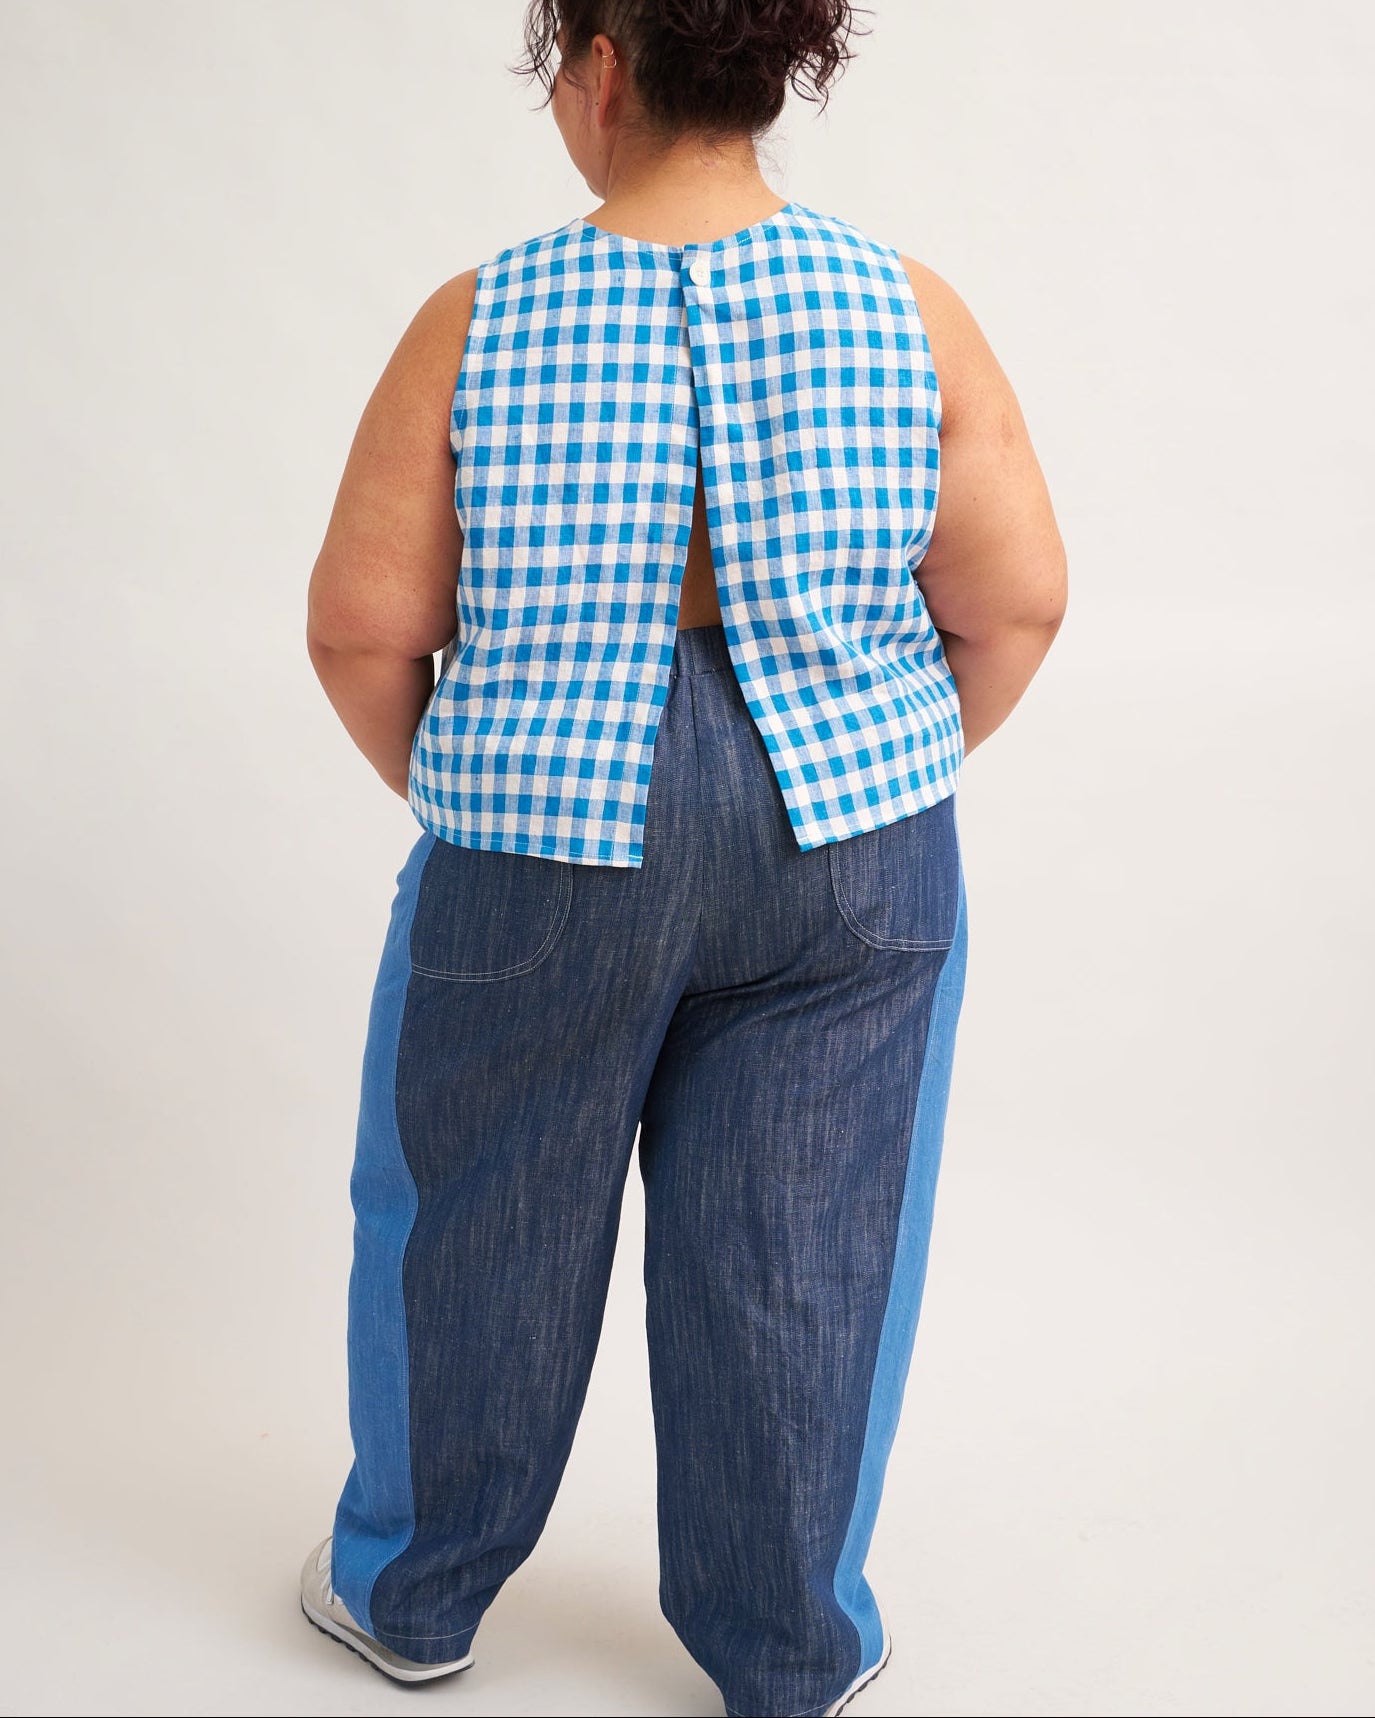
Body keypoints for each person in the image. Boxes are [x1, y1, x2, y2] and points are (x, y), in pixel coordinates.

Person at [299, 2, 1067, 1714]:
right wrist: (887, 765)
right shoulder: (905, 308)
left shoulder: (482, 318)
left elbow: (363, 627)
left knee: (473, 1215)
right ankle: (790, 1648)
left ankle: (414, 1597)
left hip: (545, 834)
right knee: (807, 1240)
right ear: (771, 71)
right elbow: (1016, 600)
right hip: (849, 843)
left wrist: (474, 791)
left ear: (601, 68)